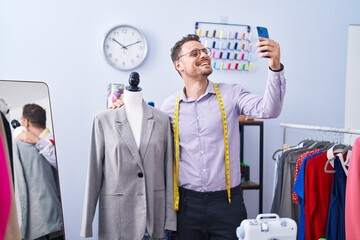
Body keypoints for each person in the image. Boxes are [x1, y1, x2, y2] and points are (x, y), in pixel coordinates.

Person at [111, 33, 286, 239]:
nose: (203, 55)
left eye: (204, 51)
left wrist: (275, 67)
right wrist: (124, 109)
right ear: (179, 65)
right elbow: (145, 140)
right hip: (186, 206)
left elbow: (269, 110)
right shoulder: (169, 106)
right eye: (195, 53)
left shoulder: (232, 94)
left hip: (228, 204)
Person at [81, 74, 176, 240]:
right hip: (116, 217)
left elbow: (169, 171)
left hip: (153, 214)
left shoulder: (161, 120)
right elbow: (93, 174)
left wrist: (170, 219)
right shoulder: (103, 120)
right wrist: (86, 223)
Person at [15, 103, 57, 169]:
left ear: (26, 122)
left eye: (22, 120)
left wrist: (37, 141)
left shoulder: (54, 140)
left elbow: (60, 163)